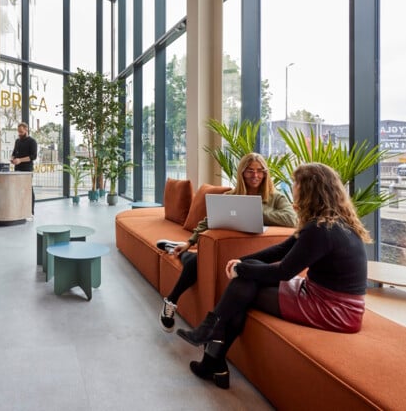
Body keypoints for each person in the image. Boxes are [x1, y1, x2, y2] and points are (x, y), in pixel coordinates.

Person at [176, 162, 369, 389]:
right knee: (246, 280)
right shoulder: (329, 221)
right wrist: (244, 261)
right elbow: (280, 250)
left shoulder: (320, 229)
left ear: (308, 189)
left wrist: (241, 269)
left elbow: (284, 272)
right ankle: (211, 351)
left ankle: (211, 346)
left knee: (244, 287)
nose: (293, 188)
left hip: (333, 309)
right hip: (324, 296)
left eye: (296, 183)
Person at [158, 153, 297, 333]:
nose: (255, 176)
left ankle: (172, 249)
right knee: (194, 261)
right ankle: (171, 301)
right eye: (250, 171)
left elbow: (291, 219)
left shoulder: (276, 198)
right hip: (223, 249)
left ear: (265, 174)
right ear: (242, 173)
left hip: (254, 255)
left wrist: (254, 211)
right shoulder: (231, 196)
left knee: (195, 260)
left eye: (259, 171)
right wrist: (190, 242)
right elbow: (208, 221)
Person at [11, 121, 38, 216]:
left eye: (21, 132)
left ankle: (31, 212)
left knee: (28, 190)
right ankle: (20, 210)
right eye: (18, 132)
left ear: (26, 130)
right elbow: (14, 153)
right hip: (17, 168)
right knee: (17, 190)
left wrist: (20, 160)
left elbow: (33, 156)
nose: (19, 134)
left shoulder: (32, 141)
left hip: (27, 170)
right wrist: (13, 158)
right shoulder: (17, 141)